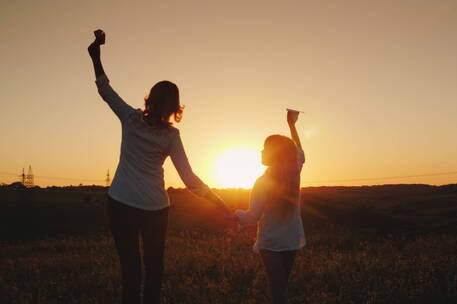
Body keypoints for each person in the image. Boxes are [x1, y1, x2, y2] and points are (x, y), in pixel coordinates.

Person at [87, 29, 233, 304]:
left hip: (120, 204)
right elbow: (190, 179)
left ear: (150, 99)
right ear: (175, 107)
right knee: (155, 271)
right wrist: (221, 204)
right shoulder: (171, 136)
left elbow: (104, 89)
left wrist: (96, 55)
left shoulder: (130, 118)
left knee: (131, 271)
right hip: (155, 210)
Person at [235, 110, 305, 304]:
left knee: (278, 291)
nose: (261, 151)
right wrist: (292, 125)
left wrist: (233, 213)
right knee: (282, 288)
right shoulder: (295, 172)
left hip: (271, 244)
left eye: (265, 148)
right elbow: (298, 149)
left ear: (274, 153)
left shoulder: (262, 182)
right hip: (292, 240)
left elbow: (252, 217)